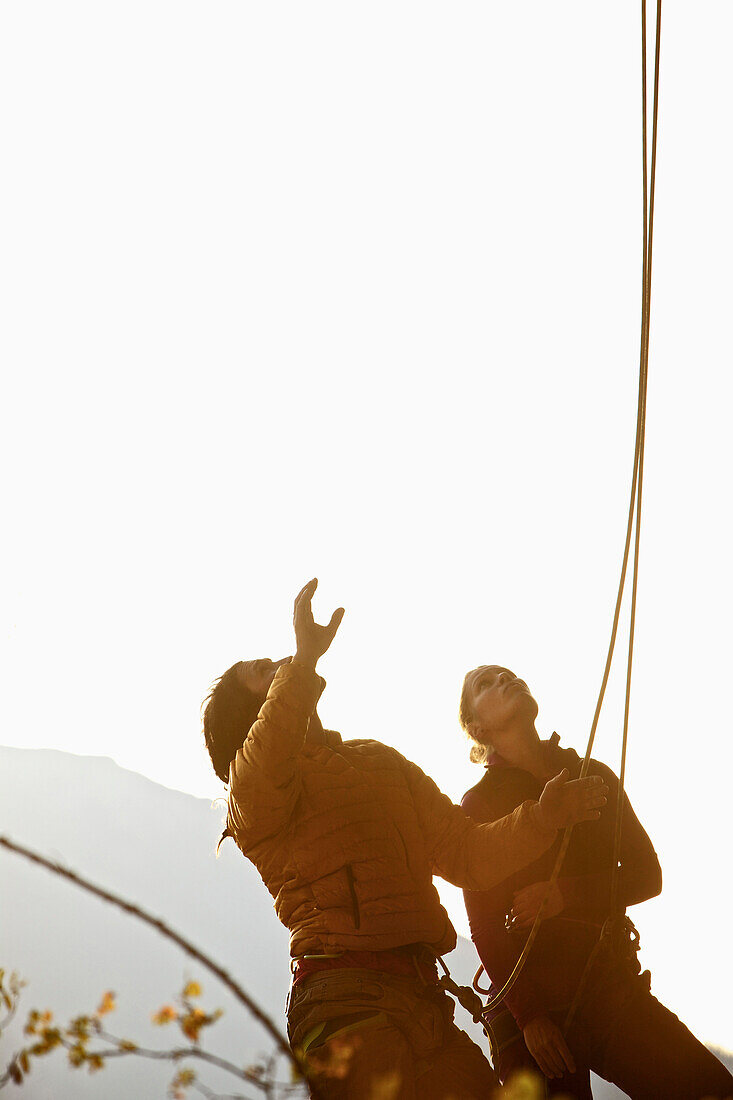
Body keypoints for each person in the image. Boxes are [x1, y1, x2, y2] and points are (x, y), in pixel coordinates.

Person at [202, 581, 609, 1099]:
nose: (280, 665)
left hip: (424, 1002)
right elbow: (269, 751)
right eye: (265, 671)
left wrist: (544, 818)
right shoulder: (252, 791)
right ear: (249, 720)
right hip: (341, 1006)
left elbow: (468, 854)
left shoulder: (378, 760)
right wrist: (305, 660)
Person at [459, 663, 733, 1100]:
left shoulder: (593, 775)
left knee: (711, 1091)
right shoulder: (478, 806)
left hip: (605, 985)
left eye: (508, 674)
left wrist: (565, 895)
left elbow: (648, 875)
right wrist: (530, 1018)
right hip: (530, 1008)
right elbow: (485, 928)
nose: (505, 679)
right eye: (486, 683)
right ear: (476, 726)